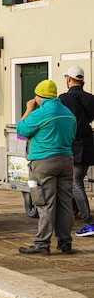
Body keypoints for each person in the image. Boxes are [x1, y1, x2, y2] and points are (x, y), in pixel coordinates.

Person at [16, 79, 76, 254]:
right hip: (66, 160)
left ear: (39, 97)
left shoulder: (39, 113)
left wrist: (29, 109)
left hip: (44, 162)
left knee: (45, 203)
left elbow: (21, 131)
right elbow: (72, 135)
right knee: (65, 203)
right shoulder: (68, 113)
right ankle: (65, 243)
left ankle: (42, 244)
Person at [58, 66, 94, 237]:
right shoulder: (91, 98)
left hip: (74, 145)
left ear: (69, 79)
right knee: (77, 182)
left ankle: (88, 222)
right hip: (89, 144)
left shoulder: (64, 98)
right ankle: (73, 213)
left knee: (76, 183)